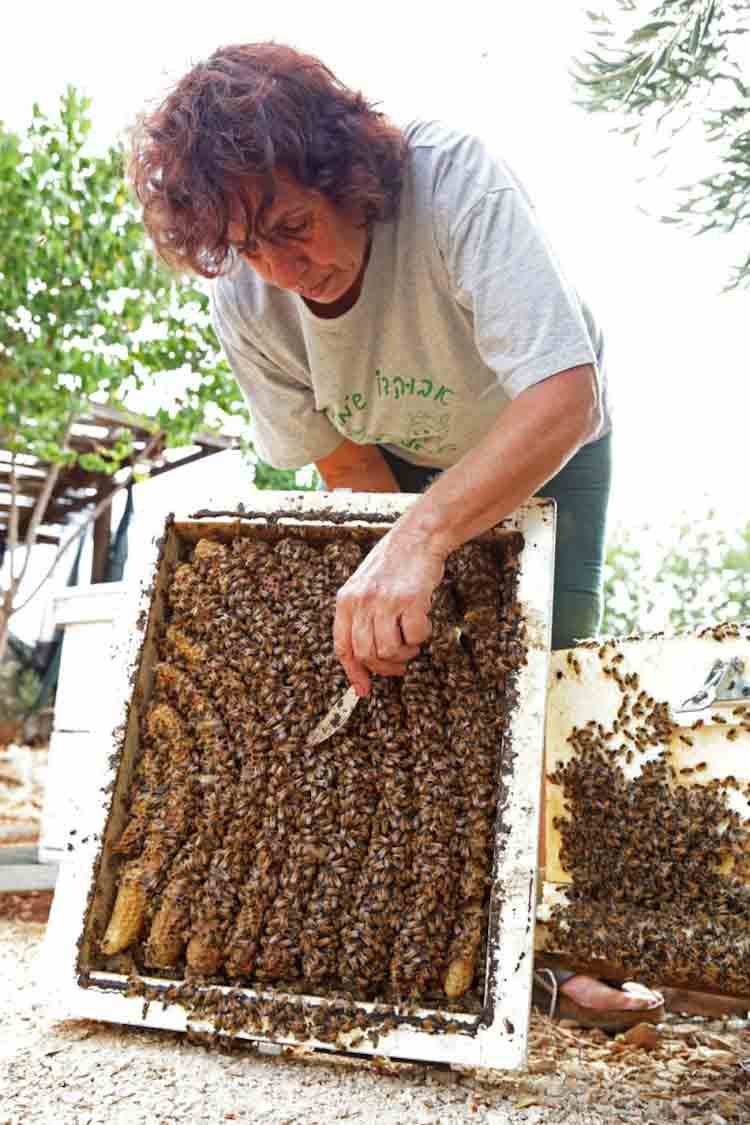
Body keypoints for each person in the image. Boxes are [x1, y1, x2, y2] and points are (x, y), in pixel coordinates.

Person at [129, 41, 663, 1030]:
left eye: (293, 224)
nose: (284, 267)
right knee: (409, 677)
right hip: (400, 459)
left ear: (350, 177)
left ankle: (574, 948)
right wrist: (405, 558)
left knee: (549, 677)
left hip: (542, 429)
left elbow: (564, 391)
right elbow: (341, 462)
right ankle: (469, 945)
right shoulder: (250, 300)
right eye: (250, 246)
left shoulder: (450, 178)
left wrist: (431, 537)